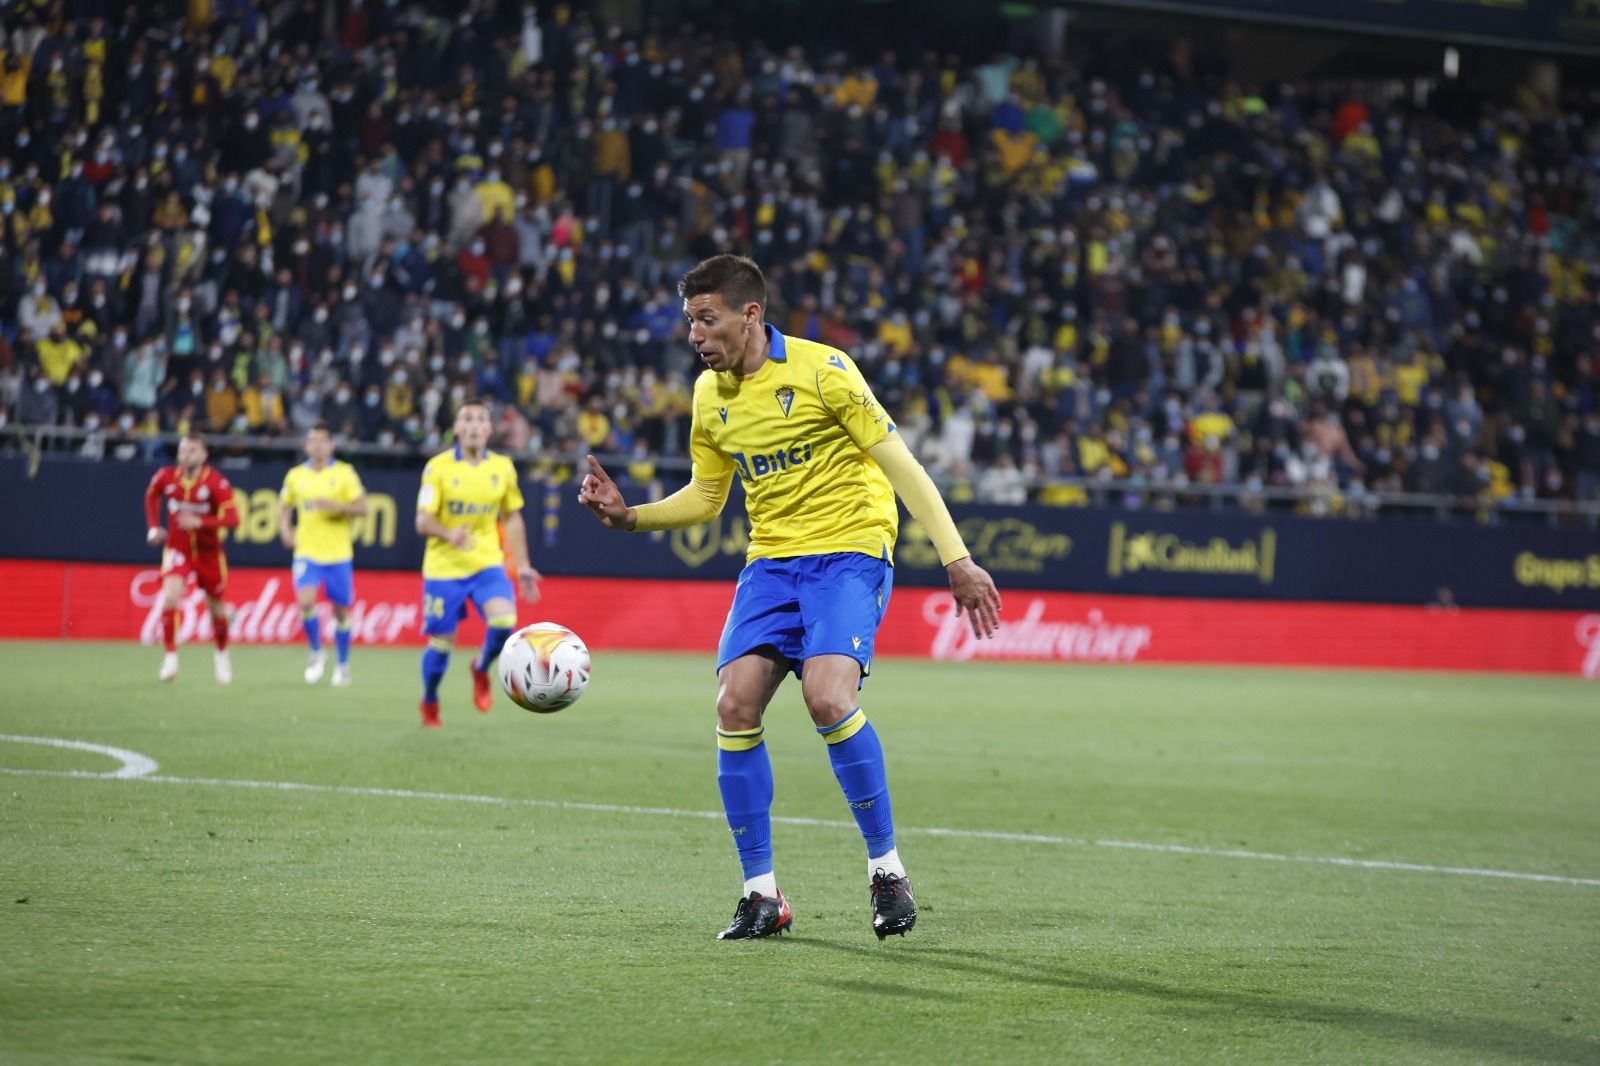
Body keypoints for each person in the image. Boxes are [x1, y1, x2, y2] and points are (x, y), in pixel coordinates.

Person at [578, 254, 1002, 941]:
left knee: (829, 698)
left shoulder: (823, 371)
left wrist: (957, 559)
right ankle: (760, 895)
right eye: (689, 321)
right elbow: (708, 497)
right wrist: (633, 517)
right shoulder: (709, 396)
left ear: (751, 315)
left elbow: (904, 466)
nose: (694, 335)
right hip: (772, 560)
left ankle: (886, 870)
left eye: (706, 319)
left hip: (850, 550)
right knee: (733, 703)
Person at [413, 399, 542, 728]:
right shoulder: (438, 467)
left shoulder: (502, 467)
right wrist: (447, 533)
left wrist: (523, 564)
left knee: (504, 622)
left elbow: (512, 519)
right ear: (456, 429)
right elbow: (422, 521)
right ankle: (429, 700)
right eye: (466, 419)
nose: (472, 425)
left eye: (480, 419)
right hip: (444, 567)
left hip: (486, 563)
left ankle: (481, 667)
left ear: (489, 429)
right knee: (442, 643)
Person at [143, 433, 241, 684]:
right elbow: (152, 494)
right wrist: (153, 526)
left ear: (204, 455)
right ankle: (170, 658)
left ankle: (221, 656)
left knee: (216, 607)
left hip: (208, 553)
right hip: (178, 549)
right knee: (170, 598)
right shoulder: (166, 477)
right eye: (183, 450)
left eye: (192, 451)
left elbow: (233, 519)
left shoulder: (216, 483)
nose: (186, 455)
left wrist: (202, 522)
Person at [279, 423, 369, 686]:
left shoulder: (344, 473)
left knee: (341, 612)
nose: (317, 445)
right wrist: (286, 529)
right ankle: (316, 652)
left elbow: (363, 508)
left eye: (322, 440)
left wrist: (336, 506)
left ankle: (342, 664)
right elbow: (283, 505)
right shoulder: (295, 476)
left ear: (331, 445)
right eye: (312, 441)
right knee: (305, 602)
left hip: (338, 554)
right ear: (307, 446)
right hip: (306, 551)